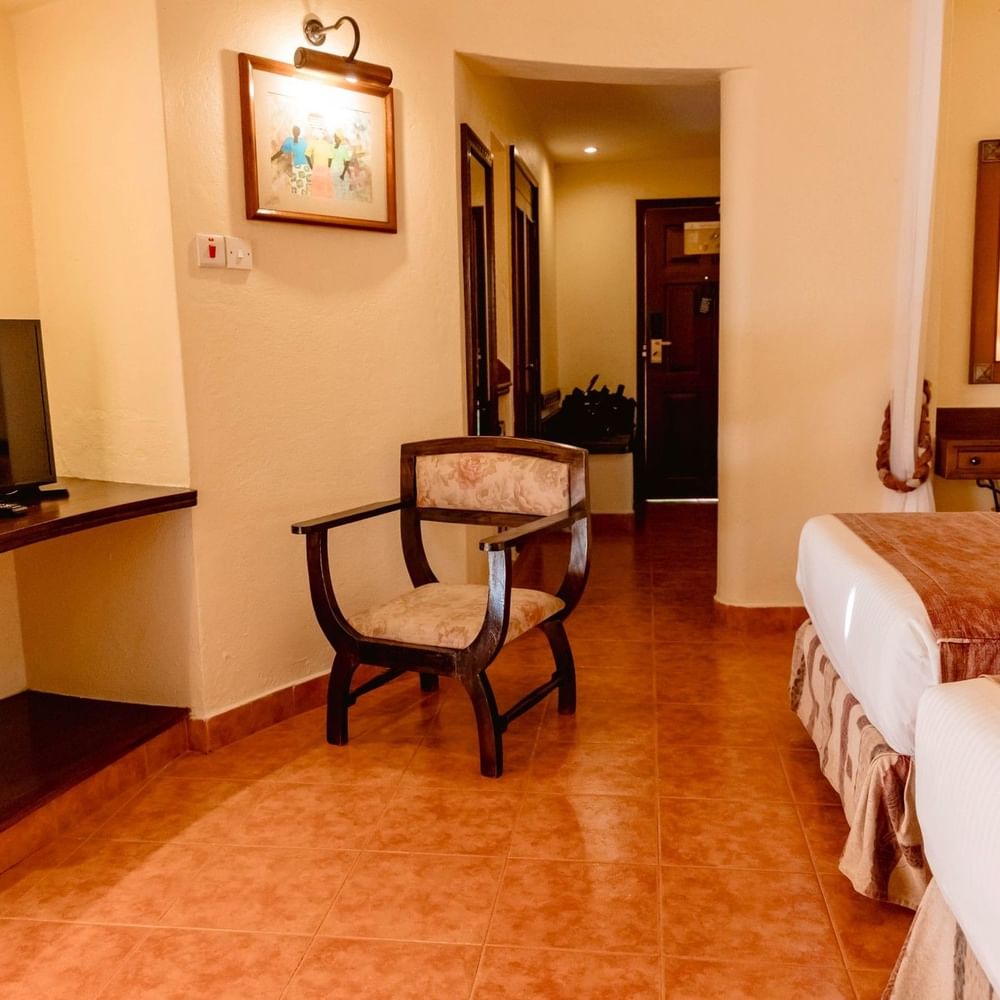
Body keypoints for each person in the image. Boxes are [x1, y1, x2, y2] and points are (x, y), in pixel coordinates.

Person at [271, 125, 311, 196]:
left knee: (298, 190)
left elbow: (280, 152)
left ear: (294, 132)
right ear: (299, 132)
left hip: (300, 167)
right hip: (304, 167)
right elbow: (307, 155)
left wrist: (271, 158)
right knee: (303, 190)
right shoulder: (301, 141)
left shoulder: (291, 141)